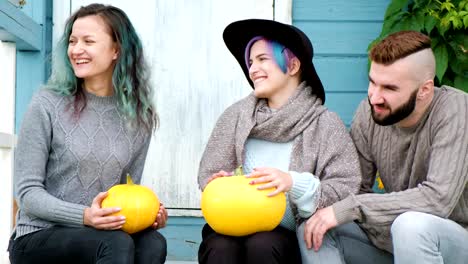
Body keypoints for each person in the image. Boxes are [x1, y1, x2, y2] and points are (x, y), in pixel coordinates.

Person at [8, 4, 168, 264]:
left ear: (117, 50)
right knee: (114, 243)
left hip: (101, 235)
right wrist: (85, 216)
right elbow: (27, 194)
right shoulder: (47, 103)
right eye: (72, 41)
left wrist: (148, 214)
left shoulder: (139, 117)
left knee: (152, 243)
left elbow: (128, 190)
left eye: (88, 41)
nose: (76, 50)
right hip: (39, 236)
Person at [197, 19, 361, 264]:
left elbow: (346, 186)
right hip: (231, 222)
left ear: (293, 65)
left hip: (286, 232)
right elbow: (208, 175)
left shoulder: (325, 124)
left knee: (264, 245)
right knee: (220, 248)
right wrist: (217, 182)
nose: (252, 69)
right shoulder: (235, 117)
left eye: (262, 59)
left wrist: (293, 183)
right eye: (250, 62)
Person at [299, 30, 468, 264]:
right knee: (314, 226)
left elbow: (437, 200)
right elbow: (354, 187)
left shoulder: (455, 110)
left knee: (411, 226)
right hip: (397, 239)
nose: (374, 97)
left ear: (425, 90)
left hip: (455, 240)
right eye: (372, 82)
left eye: (389, 88)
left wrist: (353, 207)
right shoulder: (368, 114)